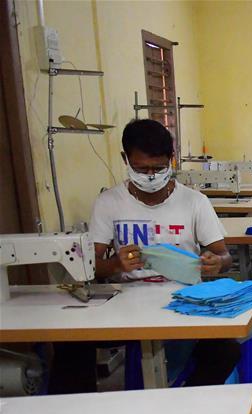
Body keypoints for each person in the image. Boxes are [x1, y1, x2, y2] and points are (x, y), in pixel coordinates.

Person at [47, 119, 239, 394]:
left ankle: (185, 404)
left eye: (158, 168)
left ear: (171, 160)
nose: (150, 175)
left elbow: (225, 256)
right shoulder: (110, 202)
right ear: (125, 159)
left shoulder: (194, 202)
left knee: (226, 351)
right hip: (127, 302)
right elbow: (88, 267)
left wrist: (216, 263)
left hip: (182, 300)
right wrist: (115, 264)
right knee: (71, 342)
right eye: (141, 168)